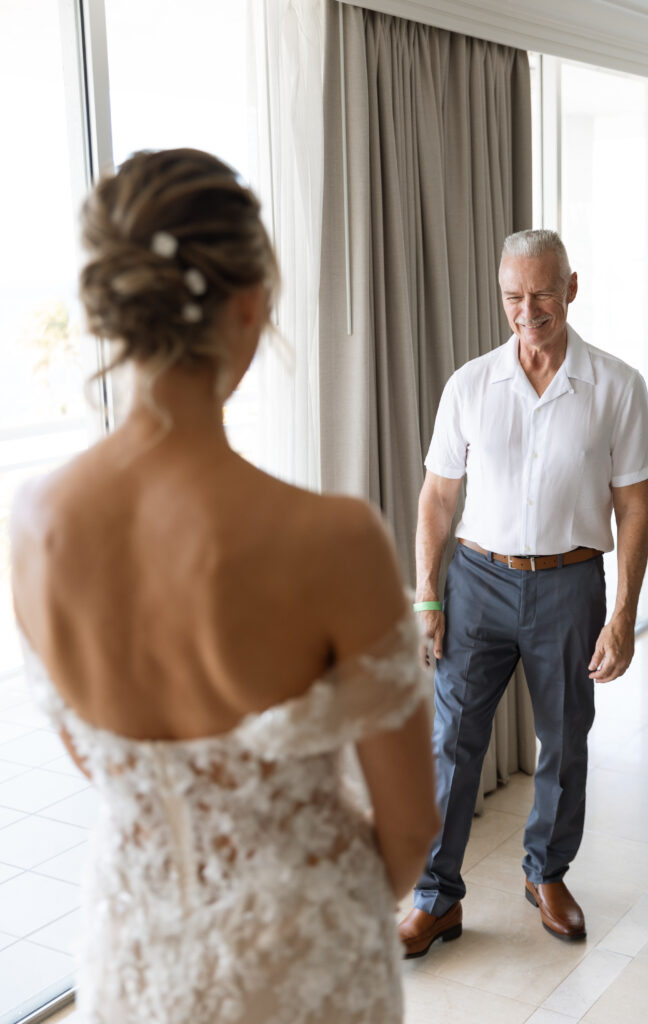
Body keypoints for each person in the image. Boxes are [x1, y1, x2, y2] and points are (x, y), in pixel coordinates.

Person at [10, 148, 439, 1023]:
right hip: (303, 963)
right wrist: (312, 904)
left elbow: (109, 770)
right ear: (249, 307)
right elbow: (408, 829)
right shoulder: (332, 538)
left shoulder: (31, 524)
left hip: (134, 953)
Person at [399, 229, 648, 958]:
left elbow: (634, 509)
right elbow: (436, 496)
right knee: (450, 742)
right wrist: (427, 596)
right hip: (476, 582)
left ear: (570, 288)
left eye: (542, 292)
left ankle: (545, 874)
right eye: (514, 295)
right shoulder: (469, 384)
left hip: (569, 586)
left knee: (564, 739)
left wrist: (622, 616)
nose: (527, 309)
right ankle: (435, 897)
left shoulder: (616, 385)